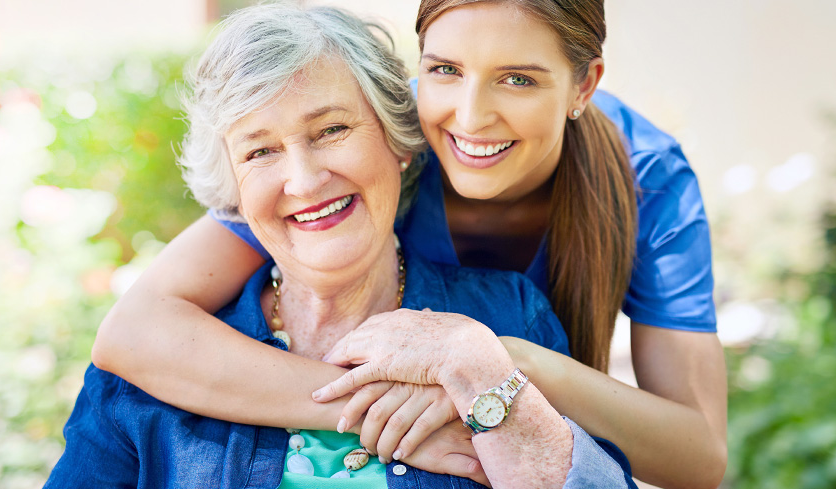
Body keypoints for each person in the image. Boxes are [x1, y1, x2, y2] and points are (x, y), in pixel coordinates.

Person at [93, 1, 726, 488]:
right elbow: (136, 331)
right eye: (445, 70)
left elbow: (698, 456)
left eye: (519, 79)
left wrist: (497, 366)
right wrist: (375, 416)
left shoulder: (649, 180)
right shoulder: (381, 136)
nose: (470, 116)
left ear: (584, 87)